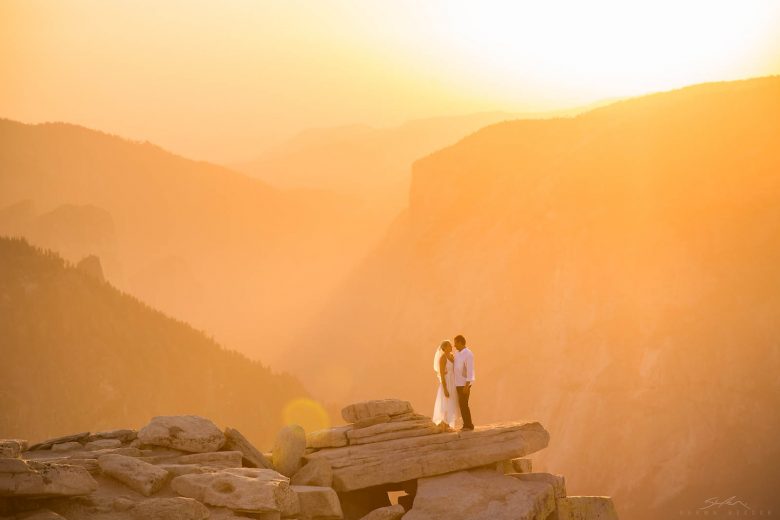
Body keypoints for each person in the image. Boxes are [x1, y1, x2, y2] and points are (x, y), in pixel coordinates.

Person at [432, 340, 460, 430]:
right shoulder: (443, 358)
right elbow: (442, 374)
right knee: (446, 402)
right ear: (444, 348)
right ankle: (445, 423)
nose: (451, 347)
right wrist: (445, 389)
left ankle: (449, 423)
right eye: (449, 346)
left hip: (453, 381)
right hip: (447, 382)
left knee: (453, 401)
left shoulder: (452, 356)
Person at [453, 334, 475, 431]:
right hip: (458, 383)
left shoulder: (468, 353)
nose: (454, 345)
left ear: (460, 342)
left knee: (464, 404)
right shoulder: (457, 353)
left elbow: (470, 370)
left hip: (464, 384)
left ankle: (468, 425)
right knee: (461, 404)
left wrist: (467, 385)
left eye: (456, 343)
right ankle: (466, 424)